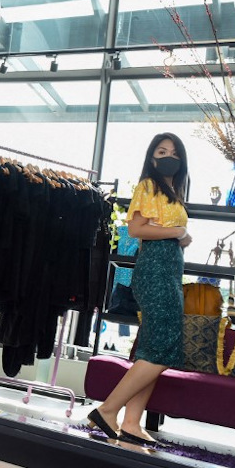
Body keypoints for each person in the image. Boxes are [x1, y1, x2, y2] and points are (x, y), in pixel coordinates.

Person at [87, 133, 192, 449]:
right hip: (156, 268)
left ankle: (131, 422)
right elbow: (136, 229)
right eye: (162, 151)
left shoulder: (173, 190)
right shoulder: (148, 186)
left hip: (169, 269)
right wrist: (179, 232)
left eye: (173, 152)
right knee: (164, 347)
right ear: (152, 156)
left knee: (151, 349)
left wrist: (178, 237)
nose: (167, 156)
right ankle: (108, 410)